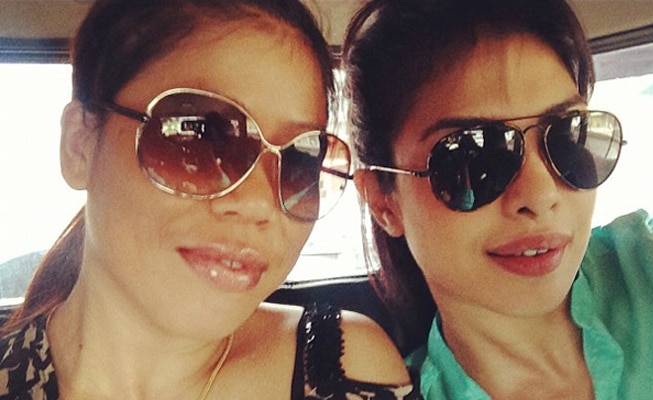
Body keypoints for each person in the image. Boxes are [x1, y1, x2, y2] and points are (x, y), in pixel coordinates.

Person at [0, 1, 422, 399]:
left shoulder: (342, 371)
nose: (259, 204)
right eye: (198, 137)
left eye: (301, 160)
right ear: (79, 145)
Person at [343, 0, 653, 398]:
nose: (541, 195)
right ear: (383, 201)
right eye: (472, 158)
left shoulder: (647, 264)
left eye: (568, 136)